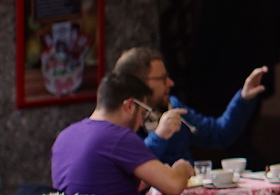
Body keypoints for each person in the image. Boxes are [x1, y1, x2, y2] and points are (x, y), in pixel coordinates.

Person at [50, 72, 193, 195]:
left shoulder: (65, 136)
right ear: (130, 106)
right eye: (143, 114)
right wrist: (182, 168)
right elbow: (174, 185)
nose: (140, 124)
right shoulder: (119, 137)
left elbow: (101, 186)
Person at [115, 46, 268, 166]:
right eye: (162, 79)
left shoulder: (173, 106)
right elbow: (131, 169)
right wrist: (159, 136)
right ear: (139, 84)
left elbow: (219, 134)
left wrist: (243, 98)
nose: (170, 83)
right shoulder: (120, 123)